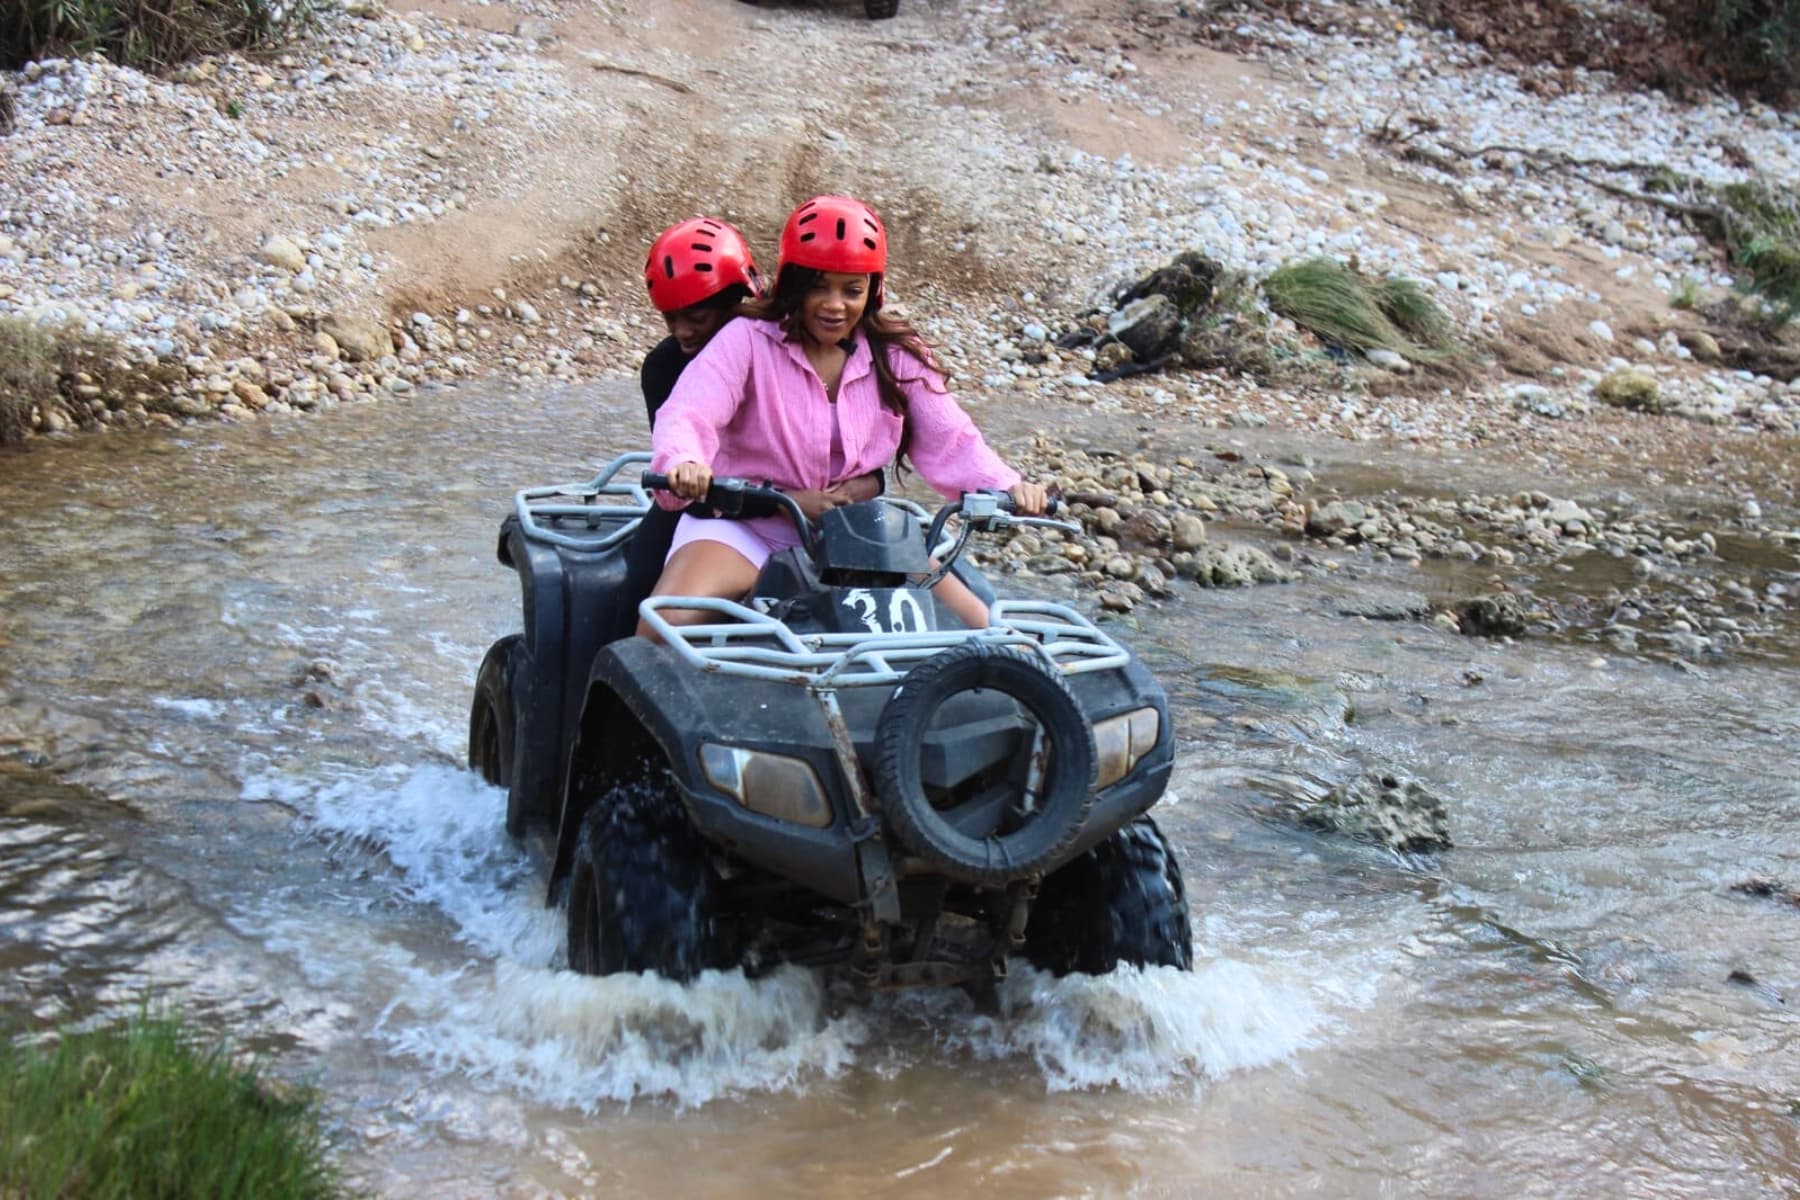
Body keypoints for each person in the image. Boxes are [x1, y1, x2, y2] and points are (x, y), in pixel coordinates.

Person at [643, 194, 1046, 635]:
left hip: (856, 532)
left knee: (989, 630)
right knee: (666, 622)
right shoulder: (746, 339)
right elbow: (689, 411)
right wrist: (684, 461)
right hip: (748, 529)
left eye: (851, 290)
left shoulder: (896, 354)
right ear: (794, 284)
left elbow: (951, 437)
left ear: (873, 291)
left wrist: (1007, 487)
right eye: (819, 286)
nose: (836, 305)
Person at [611, 215, 882, 643]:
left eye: (696, 317)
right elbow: (689, 466)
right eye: (671, 318)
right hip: (713, 507)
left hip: (820, 509)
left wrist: (871, 479)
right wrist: (785, 501)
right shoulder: (666, 366)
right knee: (637, 596)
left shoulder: (789, 344)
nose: (682, 330)